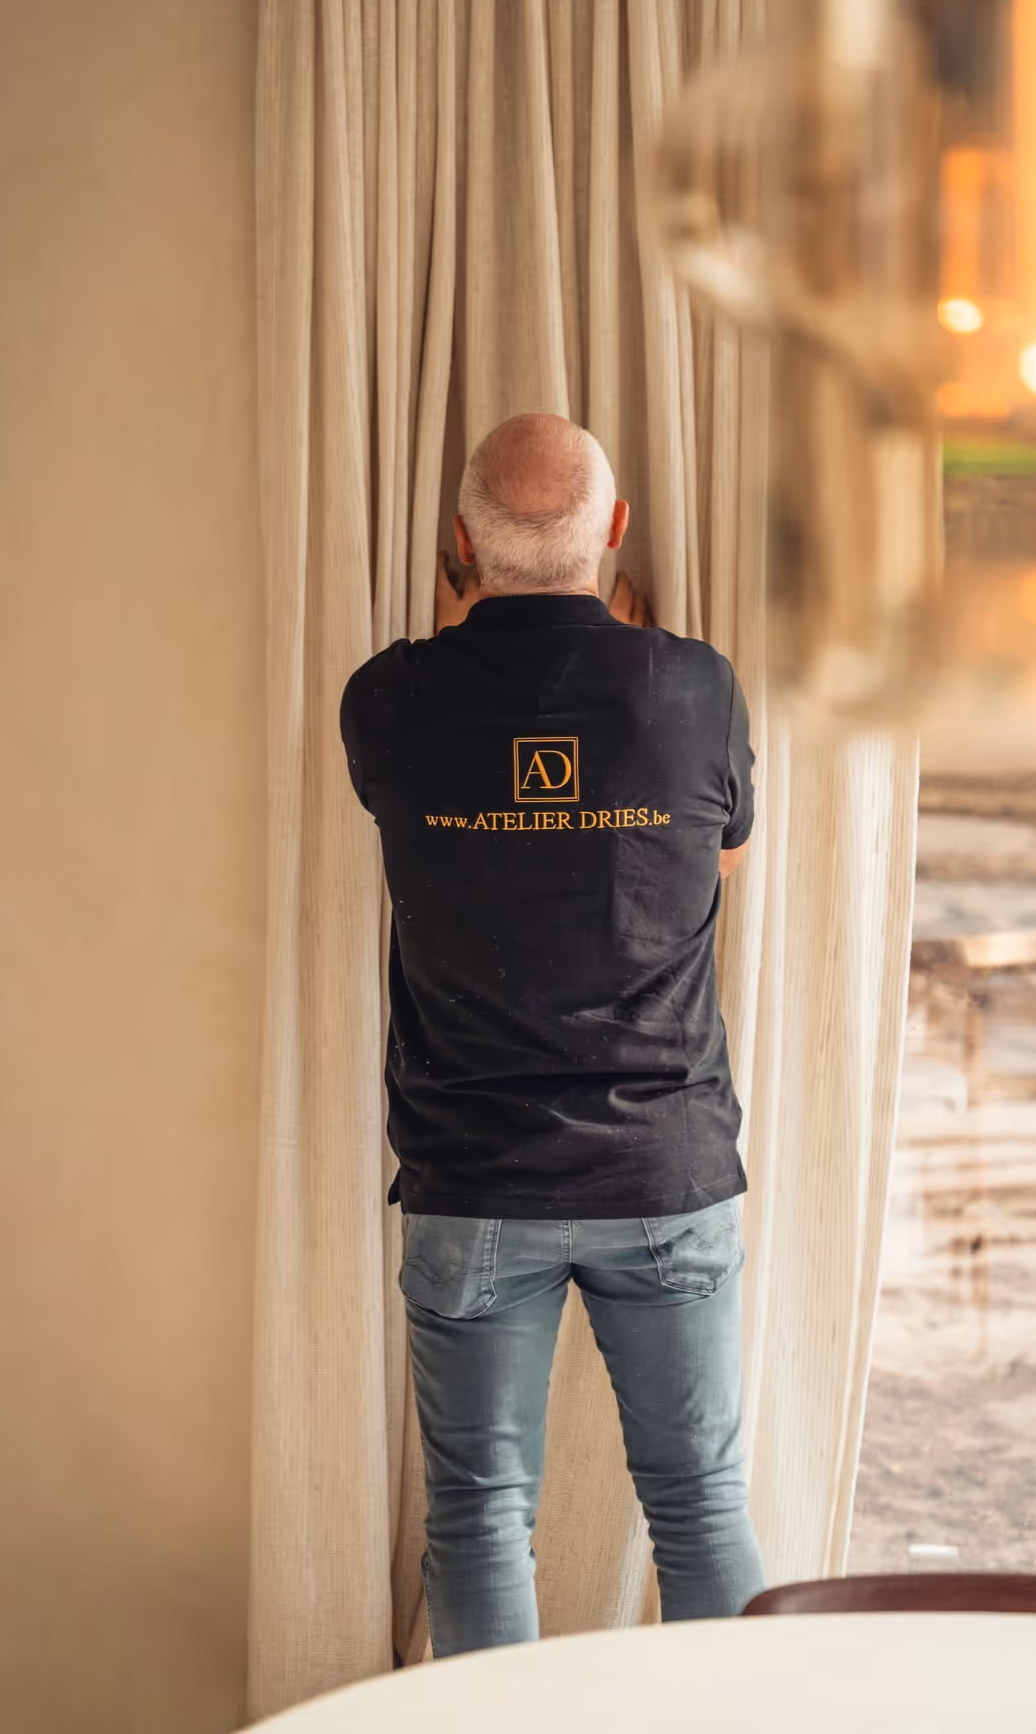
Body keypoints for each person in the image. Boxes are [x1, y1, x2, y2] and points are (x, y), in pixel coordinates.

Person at [340, 412, 767, 1658]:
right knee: (697, 1507)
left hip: (473, 1185)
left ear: (462, 544)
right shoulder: (690, 686)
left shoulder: (390, 699)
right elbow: (720, 858)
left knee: (476, 1523)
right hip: (665, 1170)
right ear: (616, 530)